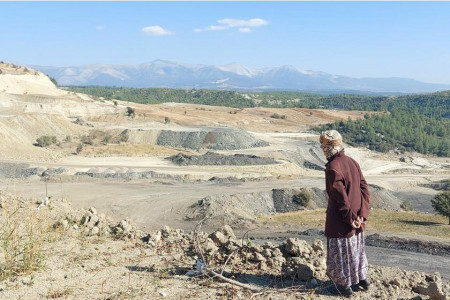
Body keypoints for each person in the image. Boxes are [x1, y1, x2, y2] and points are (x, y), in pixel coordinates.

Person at [319, 130, 370, 297]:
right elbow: (364, 189)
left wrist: (349, 218)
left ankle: (343, 286)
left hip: (342, 221)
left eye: (324, 147)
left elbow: (339, 197)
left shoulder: (333, 167)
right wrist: (361, 214)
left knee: (340, 254)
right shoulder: (352, 162)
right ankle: (361, 279)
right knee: (356, 251)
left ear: (329, 148)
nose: (323, 150)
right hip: (357, 218)